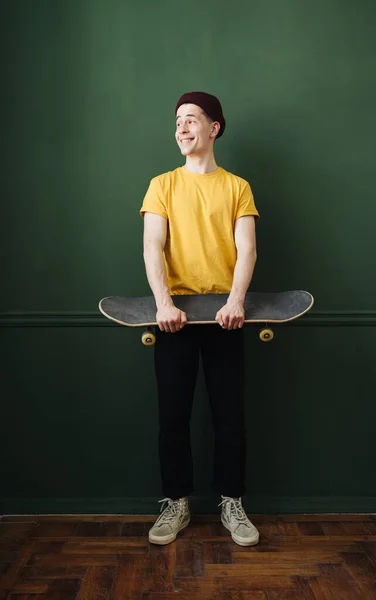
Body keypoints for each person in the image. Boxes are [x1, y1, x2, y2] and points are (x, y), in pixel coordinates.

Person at [139, 91, 260, 547]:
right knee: (173, 417)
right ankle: (176, 502)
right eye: (176, 122)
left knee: (231, 417)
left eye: (191, 120)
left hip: (227, 317)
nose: (182, 129)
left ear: (215, 128)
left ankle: (233, 501)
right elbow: (153, 247)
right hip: (174, 318)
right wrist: (164, 304)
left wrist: (237, 300)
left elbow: (246, 248)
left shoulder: (237, 187)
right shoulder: (161, 185)